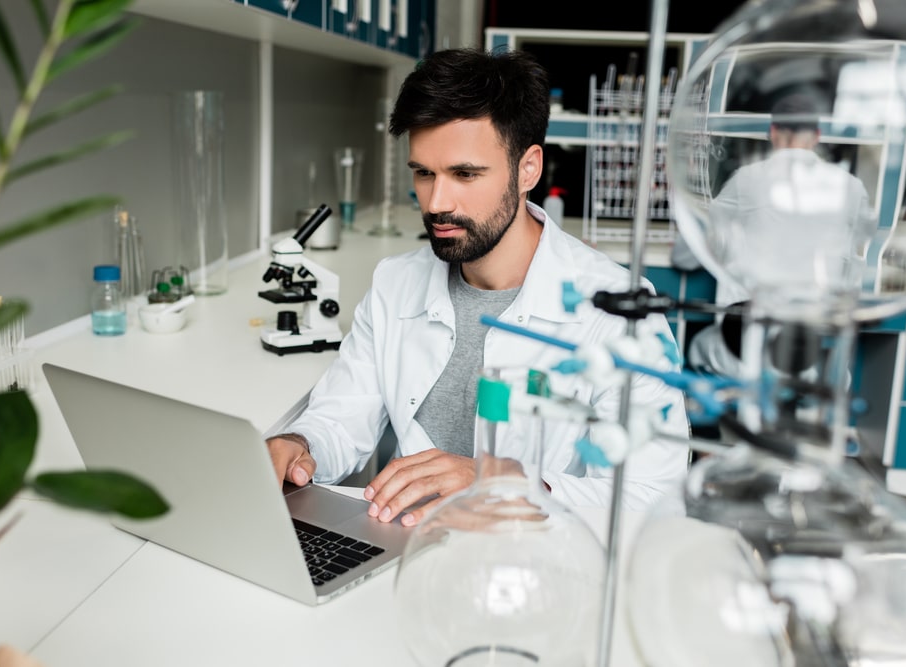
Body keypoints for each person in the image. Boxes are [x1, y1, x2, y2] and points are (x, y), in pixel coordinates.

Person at [265, 47, 691, 526]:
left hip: (530, 565)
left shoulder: (619, 313)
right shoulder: (394, 282)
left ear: (528, 169)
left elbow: (653, 494)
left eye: (465, 174)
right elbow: (342, 416)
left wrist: (508, 485)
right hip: (403, 549)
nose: (437, 202)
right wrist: (300, 446)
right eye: (424, 173)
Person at [672, 91, 876, 378]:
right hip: (811, 355)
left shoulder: (747, 179)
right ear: (816, 136)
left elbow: (691, 250)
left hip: (746, 349)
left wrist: (683, 253)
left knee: (696, 348)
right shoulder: (851, 187)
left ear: (773, 133)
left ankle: (715, 417)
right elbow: (864, 241)